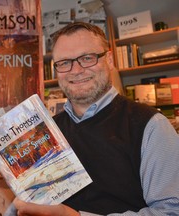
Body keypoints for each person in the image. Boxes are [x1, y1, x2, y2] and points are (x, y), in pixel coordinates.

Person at [13, 22, 179, 215]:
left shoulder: (150, 126)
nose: (76, 70)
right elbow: (28, 202)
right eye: (65, 62)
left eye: (87, 58)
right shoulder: (46, 132)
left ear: (109, 59)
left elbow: (170, 211)